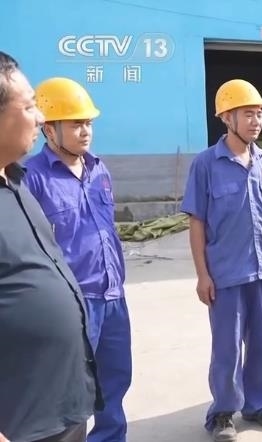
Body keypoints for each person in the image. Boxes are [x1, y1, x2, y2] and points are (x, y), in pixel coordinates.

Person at [22, 77, 131, 442]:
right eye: (75, 124)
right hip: (74, 302)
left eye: (88, 123)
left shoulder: (99, 169)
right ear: (49, 129)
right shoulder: (32, 178)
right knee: (73, 390)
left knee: (115, 379)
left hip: (112, 295)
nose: (85, 131)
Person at [0, 50, 102, 442]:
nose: (40, 118)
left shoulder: (15, 183)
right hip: (20, 425)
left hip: (63, 407)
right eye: (29, 107)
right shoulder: (37, 178)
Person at [181, 79, 262, 442]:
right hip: (226, 273)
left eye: (259, 114)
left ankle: (257, 405)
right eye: (248, 114)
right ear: (227, 118)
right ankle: (222, 413)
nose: (256, 121)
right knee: (226, 348)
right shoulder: (205, 165)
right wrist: (202, 275)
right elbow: (197, 222)